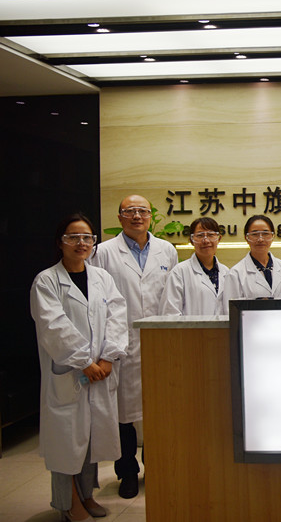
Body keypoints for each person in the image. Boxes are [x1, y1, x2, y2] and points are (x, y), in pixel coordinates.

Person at [30, 213, 128, 521]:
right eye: (73, 237)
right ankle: (68, 502)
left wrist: (108, 357)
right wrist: (85, 362)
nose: (81, 243)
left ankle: (87, 495)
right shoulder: (47, 280)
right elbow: (53, 326)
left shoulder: (102, 278)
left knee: (91, 439)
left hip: (100, 371)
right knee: (66, 443)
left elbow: (117, 317)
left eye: (87, 237)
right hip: (70, 373)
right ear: (60, 242)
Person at [89, 195, 177, 499]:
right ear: (120, 217)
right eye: (130, 211)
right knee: (123, 414)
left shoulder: (167, 250)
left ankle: (156, 466)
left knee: (157, 410)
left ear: (150, 216)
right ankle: (126, 472)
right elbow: (97, 298)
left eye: (142, 211)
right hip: (120, 343)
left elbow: (171, 296)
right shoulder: (103, 252)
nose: (137, 216)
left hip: (157, 341)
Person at [159, 217, 229, 315]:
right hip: (191, 326)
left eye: (211, 235)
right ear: (192, 240)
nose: (206, 240)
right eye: (200, 235)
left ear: (219, 239)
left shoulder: (226, 272)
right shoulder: (179, 272)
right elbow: (170, 313)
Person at [220, 214, 281, 313]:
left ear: (273, 236)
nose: (260, 239)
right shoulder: (235, 273)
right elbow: (230, 311)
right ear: (246, 238)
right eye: (255, 234)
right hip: (250, 323)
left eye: (265, 233)